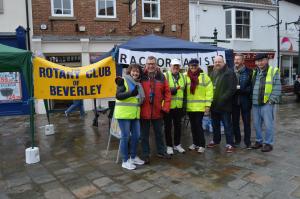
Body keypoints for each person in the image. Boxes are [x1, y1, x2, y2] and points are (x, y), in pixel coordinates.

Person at [140, 56, 171, 164]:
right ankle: (145, 154)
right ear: (146, 64)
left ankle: (161, 151)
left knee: (159, 133)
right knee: (144, 135)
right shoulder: (141, 76)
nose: (151, 66)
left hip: (158, 111)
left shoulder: (161, 77)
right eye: (149, 63)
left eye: (153, 63)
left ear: (156, 64)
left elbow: (167, 93)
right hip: (144, 112)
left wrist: (165, 107)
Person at [114, 64, 145, 170]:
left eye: (137, 72)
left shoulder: (138, 84)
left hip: (134, 114)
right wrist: (131, 93)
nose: (135, 73)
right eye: (133, 71)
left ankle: (133, 157)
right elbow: (118, 95)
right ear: (129, 71)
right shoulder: (123, 80)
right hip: (124, 114)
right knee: (125, 137)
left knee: (137, 136)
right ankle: (125, 160)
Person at [251, 53, 281, 152]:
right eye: (257, 61)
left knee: (268, 124)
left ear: (266, 60)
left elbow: (277, 87)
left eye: (261, 60)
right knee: (256, 124)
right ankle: (259, 141)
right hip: (255, 103)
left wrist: (271, 100)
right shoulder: (255, 72)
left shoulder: (273, 71)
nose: (259, 62)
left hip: (267, 103)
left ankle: (268, 143)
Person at [207, 56, 237, 153]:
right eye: (215, 62)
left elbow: (231, 89)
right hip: (214, 105)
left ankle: (230, 144)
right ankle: (216, 140)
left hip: (225, 105)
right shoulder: (213, 73)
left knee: (227, 125)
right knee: (215, 125)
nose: (217, 64)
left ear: (223, 62)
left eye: (219, 62)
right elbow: (209, 88)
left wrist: (222, 99)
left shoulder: (229, 73)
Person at [185, 59, 213, 153]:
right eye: (191, 66)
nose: (193, 67)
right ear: (189, 66)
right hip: (189, 107)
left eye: (195, 66)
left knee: (198, 125)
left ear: (198, 66)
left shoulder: (204, 77)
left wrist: (207, 105)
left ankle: (202, 144)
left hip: (200, 107)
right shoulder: (185, 76)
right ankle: (195, 143)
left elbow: (209, 92)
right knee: (193, 126)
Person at [164, 59, 186, 155]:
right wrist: (170, 90)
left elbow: (185, 91)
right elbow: (161, 89)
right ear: (170, 66)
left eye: (177, 66)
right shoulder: (165, 75)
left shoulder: (183, 76)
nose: (176, 68)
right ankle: (169, 146)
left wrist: (184, 106)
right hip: (168, 106)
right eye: (174, 66)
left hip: (179, 106)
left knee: (178, 126)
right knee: (168, 127)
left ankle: (177, 144)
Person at [232, 54, 253, 149]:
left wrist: (241, 89)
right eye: (235, 59)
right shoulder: (230, 72)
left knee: (246, 122)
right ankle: (237, 140)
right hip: (234, 101)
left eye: (238, 59)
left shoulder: (249, 72)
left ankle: (247, 142)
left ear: (243, 61)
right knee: (235, 122)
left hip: (245, 101)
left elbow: (251, 87)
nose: (236, 61)